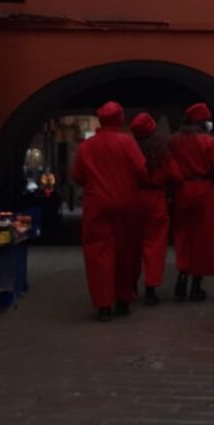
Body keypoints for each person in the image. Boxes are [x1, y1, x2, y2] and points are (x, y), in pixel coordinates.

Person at [73, 101, 147, 322]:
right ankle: (123, 297)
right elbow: (142, 171)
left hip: (97, 203)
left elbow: (78, 176)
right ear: (120, 118)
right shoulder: (128, 142)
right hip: (127, 202)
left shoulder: (87, 146)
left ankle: (104, 303)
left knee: (98, 252)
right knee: (127, 250)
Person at [169, 102, 214, 301]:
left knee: (183, 234)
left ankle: (182, 275)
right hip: (204, 189)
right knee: (204, 237)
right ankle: (196, 285)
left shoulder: (174, 141)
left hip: (182, 189)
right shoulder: (209, 142)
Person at [130, 112, 182, 306]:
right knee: (155, 245)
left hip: (134, 198)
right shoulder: (162, 151)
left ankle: (131, 284)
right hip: (157, 199)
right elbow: (176, 175)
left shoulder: (130, 148)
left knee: (132, 244)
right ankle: (151, 288)